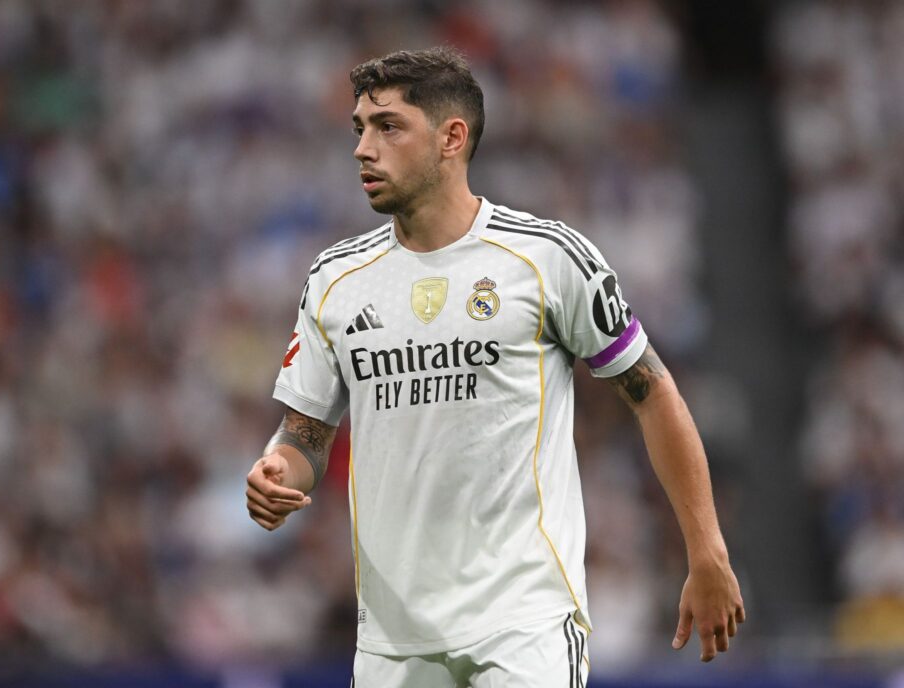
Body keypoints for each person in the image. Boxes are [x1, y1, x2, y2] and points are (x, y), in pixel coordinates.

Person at [245, 46, 745, 687]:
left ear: (452, 137)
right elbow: (303, 436)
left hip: (525, 622)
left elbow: (652, 393)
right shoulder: (336, 280)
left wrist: (707, 550)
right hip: (394, 639)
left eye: (388, 127)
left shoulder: (546, 258)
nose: (363, 149)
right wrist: (276, 471)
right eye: (359, 130)